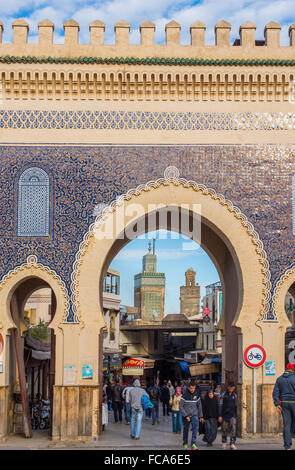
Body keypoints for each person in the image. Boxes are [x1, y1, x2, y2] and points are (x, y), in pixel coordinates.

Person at [273, 363, 295, 450]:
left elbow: (275, 393)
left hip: (284, 403)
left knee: (287, 425)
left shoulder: (279, 379)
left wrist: (277, 404)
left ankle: (287, 446)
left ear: (286, 369)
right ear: (293, 370)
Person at [179, 380, 203, 450]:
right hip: (186, 416)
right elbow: (181, 406)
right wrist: (185, 415)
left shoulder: (196, 395)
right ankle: (185, 444)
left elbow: (199, 406)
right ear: (188, 388)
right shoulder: (184, 395)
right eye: (191, 388)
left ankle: (193, 444)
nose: (192, 390)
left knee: (195, 429)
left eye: (194, 388)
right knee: (186, 430)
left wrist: (201, 416)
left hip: (194, 415)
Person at [218, 382, 238, 450]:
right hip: (224, 415)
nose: (231, 389)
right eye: (230, 388)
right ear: (228, 387)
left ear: (234, 388)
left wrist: (236, 415)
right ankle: (224, 443)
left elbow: (236, 406)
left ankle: (232, 443)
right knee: (224, 429)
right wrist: (220, 415)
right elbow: (220, 405)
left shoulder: (235, 395)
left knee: (233, 429)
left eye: (232, 388)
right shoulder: (223, 395)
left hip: (232, 415)